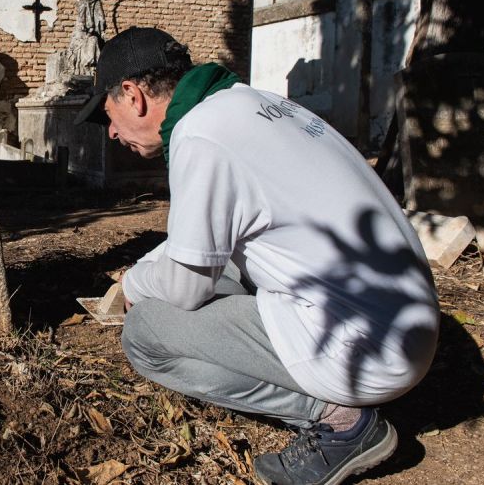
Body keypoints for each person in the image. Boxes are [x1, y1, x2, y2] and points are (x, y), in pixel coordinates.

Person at [74, 27, 440, 485]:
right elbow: (204, 241)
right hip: (406, 323)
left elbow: (186, 290)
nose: (110, 132)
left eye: (108, 115)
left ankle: (341, 423)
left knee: (146, 332)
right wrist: (147, 269)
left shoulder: (199, 136)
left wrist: (133, 284)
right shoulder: (248, 103)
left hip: (366, 351)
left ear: (133, 95)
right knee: (213, 267)